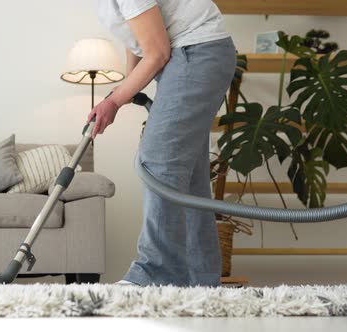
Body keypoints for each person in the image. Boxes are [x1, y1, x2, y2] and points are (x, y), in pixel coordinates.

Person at [88, 0, 236, 286]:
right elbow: (139, 38)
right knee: (189, 180)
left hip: (197, 50)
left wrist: (115, 100)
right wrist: (126, 85)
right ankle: (200, 282)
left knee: (158, 163)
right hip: (193, 52)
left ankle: (157, 272)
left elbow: (157, 52)